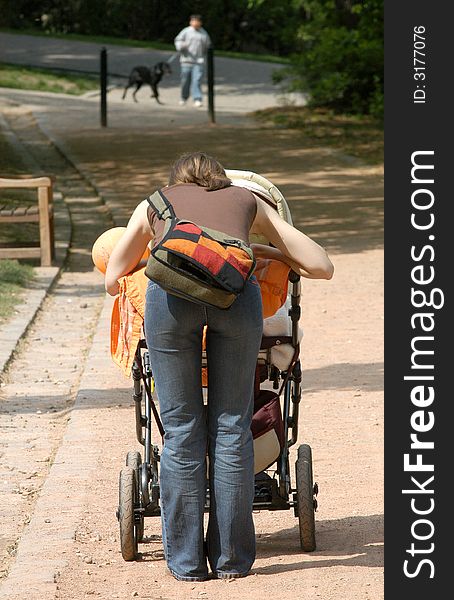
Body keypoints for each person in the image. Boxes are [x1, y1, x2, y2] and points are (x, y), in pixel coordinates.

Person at [105, 152, 334, 581]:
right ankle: (231, 561)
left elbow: (111, 276)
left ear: (178, 181)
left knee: (181, 429)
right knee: (232, 426)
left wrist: (161, 251)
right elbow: (321, 266)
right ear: (221, 180)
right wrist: (259, 246)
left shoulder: (155, 202)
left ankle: (187, 565)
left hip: (170, 303)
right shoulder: (247, 199)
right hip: (235, 298)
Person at [174, 14, 212, 108]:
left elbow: (208, 45)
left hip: (198, 61)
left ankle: (197, 99)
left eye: (197, 21)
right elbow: (178, 41)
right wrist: (181, 46)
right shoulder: (186, 31)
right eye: (193, 21)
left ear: (200, 23)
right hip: (186, 61)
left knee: (197, 80)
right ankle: (184, 97)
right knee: (185, 80)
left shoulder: (203, 33)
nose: (195, 23)